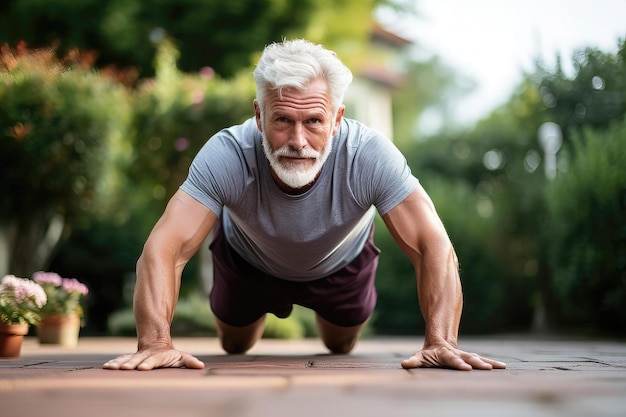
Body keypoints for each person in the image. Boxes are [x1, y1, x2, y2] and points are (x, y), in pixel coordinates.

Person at [103, 39, 506, 372]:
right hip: (247, 263)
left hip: (340, 265)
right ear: (259, 117)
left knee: (340, 345)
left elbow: (432, 245)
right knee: (235, 345)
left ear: (336, 118)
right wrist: (155, 342)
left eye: (313, 121)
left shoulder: (369, 155)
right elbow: (163, 248)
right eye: (283, 121)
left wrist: (440, 341)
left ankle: (336, 317)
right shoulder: (227, 154)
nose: (297, 140)